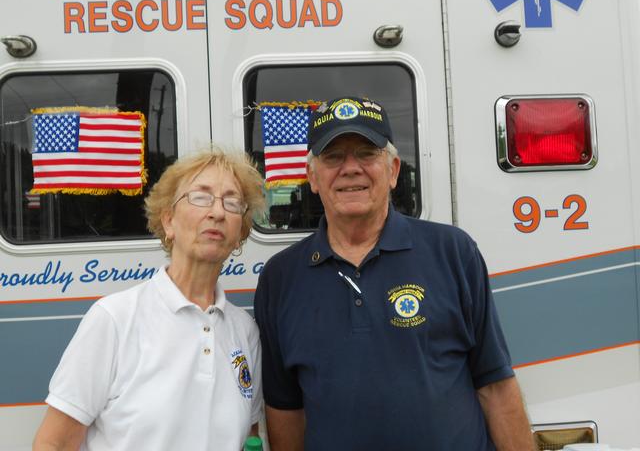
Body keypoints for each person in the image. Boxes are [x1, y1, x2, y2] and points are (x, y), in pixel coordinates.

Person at [254, 97, 535, 450]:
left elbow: (494, 384)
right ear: (312, 176)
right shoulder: (280, 277)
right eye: (333, 156)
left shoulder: (454, 253)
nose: (350, 168)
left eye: (367, 153)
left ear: (393, 170)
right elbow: (285, 409)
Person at [33, 148, 265, 451]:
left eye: (232, 202)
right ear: (168, 221)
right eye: (201, 196)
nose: (218, 212)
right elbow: (54, 443)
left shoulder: (244, 330)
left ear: (240, 233)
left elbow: (250, 438)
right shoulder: (115, 319)